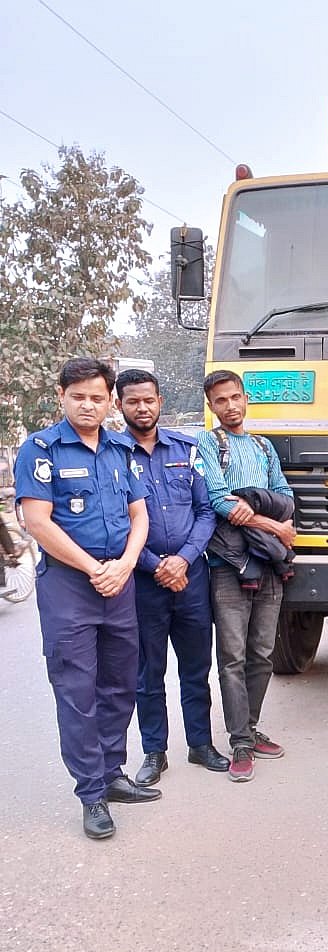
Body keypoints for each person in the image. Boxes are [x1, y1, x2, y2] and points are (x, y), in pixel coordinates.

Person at [14, 357, 159, 840]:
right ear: (62, 397)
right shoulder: (41, 449)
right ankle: (91, 794)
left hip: (118, 585)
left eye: (98, 397)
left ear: (109, 401)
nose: (88, 405)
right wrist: (96, 568)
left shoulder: (120, 449)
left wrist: (123, 565)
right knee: (78, 693)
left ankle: (113, 773)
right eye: (79, 397)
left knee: (119, 684)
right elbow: (37, 522)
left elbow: (139, 516)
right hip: (70, 587)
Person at [115, 369, 228, 786]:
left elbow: (205, 510)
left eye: (149, 400)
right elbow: (119, 522)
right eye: (133, 401)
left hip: (192, 578)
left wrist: (182, 559)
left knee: (196, 668)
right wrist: (155, 566)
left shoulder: (188, 447)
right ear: (119, 405)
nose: (142, 408)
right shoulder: (112, 455)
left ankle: (200, 745)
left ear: (160, 401)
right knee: (148, 672)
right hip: (144, 583)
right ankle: (154, 752)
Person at [196, 370, 295, 783]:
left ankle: (250, 728)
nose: (230, 406)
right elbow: (220, 499)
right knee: (232, 657)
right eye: (221, 401)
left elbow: (286, 497)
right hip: (228, 566)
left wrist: (258, 508)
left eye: (235, 397)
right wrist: (274, 526)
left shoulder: (262, 446)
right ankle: (239, 741)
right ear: (211, 406)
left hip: (268, 564)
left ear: (245, 398)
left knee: (262, 654)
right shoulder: (208, 442)